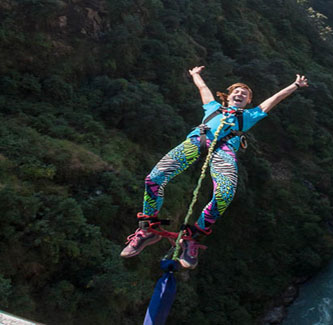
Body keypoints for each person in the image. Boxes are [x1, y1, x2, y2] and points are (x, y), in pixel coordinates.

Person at [120, 66, 308, 268]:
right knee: (154, 179)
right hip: (196, 142)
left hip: (223, 149)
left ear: (248, 102)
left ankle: (192, 238)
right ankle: (148, 230)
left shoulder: (249, 116)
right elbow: (203, 89)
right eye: (237, 91)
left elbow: (274, 100)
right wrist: (195, 75)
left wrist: (295, 85)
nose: (240, 94)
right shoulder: (212, 107)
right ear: (228, 96)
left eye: (244, 94)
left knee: (225, 194)